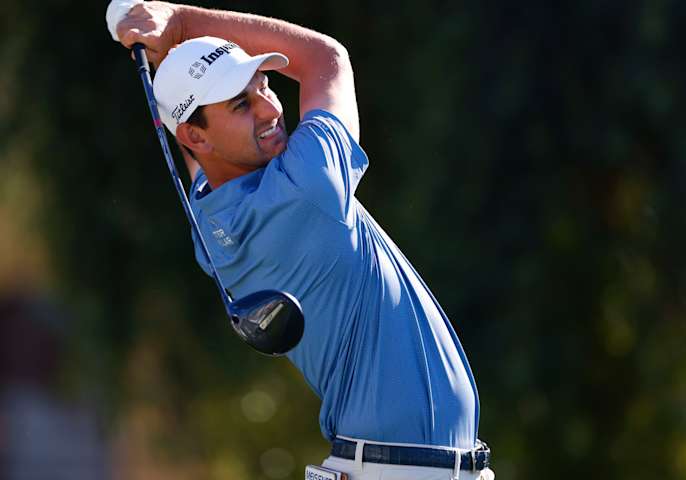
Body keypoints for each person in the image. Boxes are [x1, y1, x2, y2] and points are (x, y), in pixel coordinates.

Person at [111, 2, 493, 479]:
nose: (271, 108)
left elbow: (198, 157)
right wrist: (180, 24)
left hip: (387, 465)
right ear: (196, 136)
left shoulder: (210, 219)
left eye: (263, 85)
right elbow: (325, 58)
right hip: (399, 467)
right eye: (241, 104)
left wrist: (172, 59)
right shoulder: (306, 186)